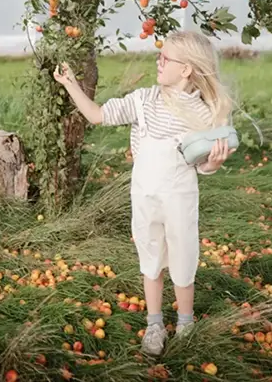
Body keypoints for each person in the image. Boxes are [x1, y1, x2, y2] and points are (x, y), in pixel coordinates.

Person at [53, 30, 237, 356]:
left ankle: (184, 322)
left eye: (165, 58)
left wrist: (215, 163)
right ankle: (154, 324)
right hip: (146, 198)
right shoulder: (143, 101)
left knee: (182, 258)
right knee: (150, 258)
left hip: (180, 200)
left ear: (186, 69)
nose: (159, 60)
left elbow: (202, 167)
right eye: (160, 55)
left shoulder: (204, 114)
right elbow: (97, 115)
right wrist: (70, 84)